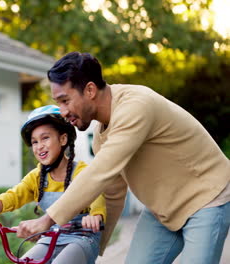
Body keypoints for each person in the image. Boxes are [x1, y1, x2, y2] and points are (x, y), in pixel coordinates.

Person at [15, 51, 230, 264]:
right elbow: (113, 190)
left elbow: (98, 173)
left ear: (90, 89)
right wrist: (92, 245)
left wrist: (47, 220)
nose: (62, 111)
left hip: (206, 197)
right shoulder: (101, 134)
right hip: (163, 209)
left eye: (65, 100)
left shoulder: (135, 106)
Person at [0, 105, 105, 264]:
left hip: (83, 238)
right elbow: (12, 197)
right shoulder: (37, 177)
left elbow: (96, 195)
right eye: (34, 142)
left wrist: (95, 216)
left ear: (63, 139)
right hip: (52, 236)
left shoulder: (81, 172)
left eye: (45, 138)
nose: (39, 146)